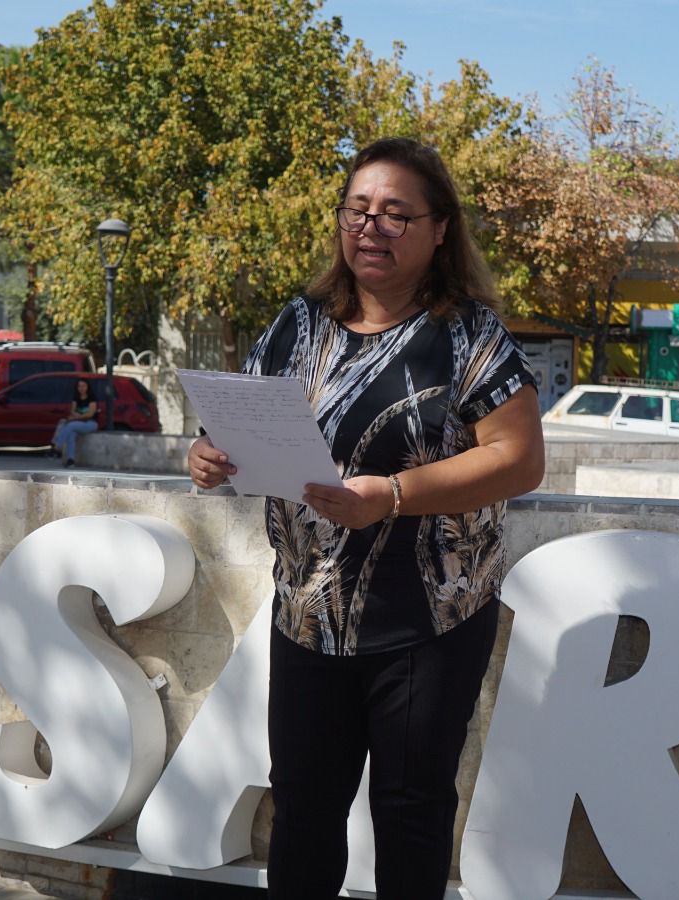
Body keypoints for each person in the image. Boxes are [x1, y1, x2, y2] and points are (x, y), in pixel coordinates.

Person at [186, 137, 545, 899]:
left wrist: (393, 494)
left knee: (410, 815)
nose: (370, 227)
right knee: (305, 813)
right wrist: (208, 455)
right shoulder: (298, 323)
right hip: (309, 615)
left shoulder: (469, 336)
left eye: (394, 214)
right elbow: (242, 421)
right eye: (357, 210)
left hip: (429, 621)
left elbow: (518, 460)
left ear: (440, 229)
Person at [52, 379, 99, 466]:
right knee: (71, 434)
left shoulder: (92, 398)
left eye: (83, 386)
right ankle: (71, 460)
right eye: (79, 386)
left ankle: (57, 446)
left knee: (70, 425)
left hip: (90, 423)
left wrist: (77, 417)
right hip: (78, 423)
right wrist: (75, 416)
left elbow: (90, 414)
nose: (81, 388)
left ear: (87, 387)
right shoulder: (76, 398)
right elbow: (72, 411)